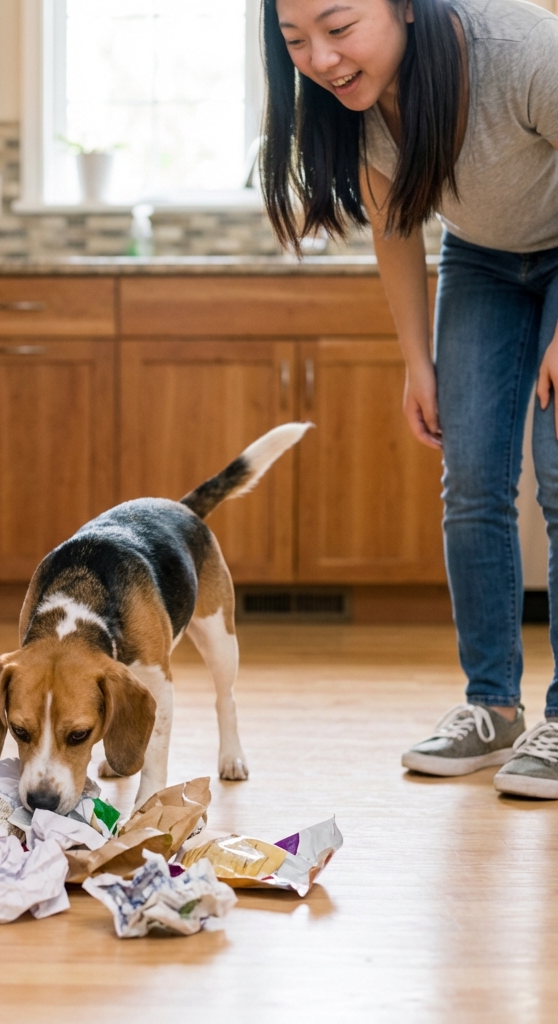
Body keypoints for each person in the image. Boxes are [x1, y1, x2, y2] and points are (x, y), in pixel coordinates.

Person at [260, 0, 558, 796]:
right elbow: (396, 223)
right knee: (472, 485)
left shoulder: (525, 52)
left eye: (338, 26)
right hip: (485, 260)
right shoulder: (355, 101)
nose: (321, 59)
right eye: (296, 41)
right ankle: (492, 707)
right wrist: (415, 360)